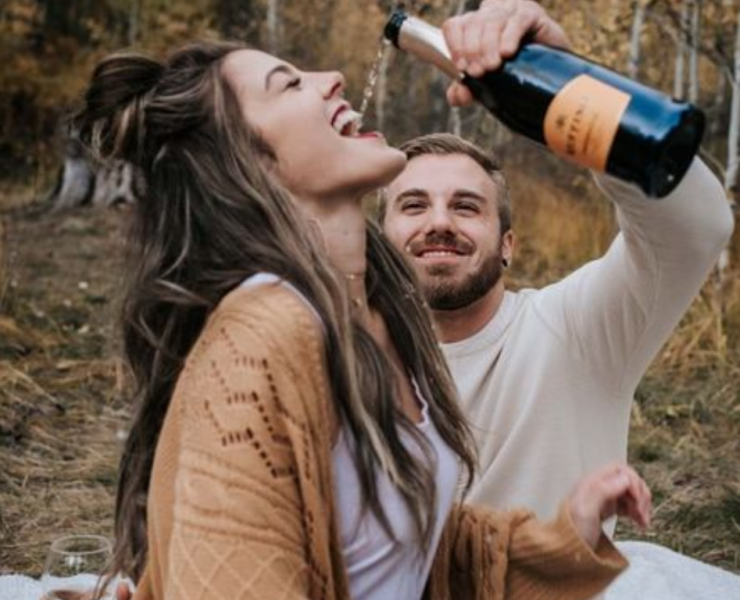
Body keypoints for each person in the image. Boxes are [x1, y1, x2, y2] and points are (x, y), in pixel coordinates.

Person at [70, 11, 655, 600]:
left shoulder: (382, 315)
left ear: (509, 243)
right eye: (289, 84)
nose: (332, 78)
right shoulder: (258, 341)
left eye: (466, 206)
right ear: (246, 163)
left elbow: (404, 551)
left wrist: (563, 537)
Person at [380, 12, 734, 530]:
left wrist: (571, 85)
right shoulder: (348, 356)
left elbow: (698, 226)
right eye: (413, 205)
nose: (439, 222)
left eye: (466, 206)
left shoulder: (573, 329)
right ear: (380, 241)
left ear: (507, 246)